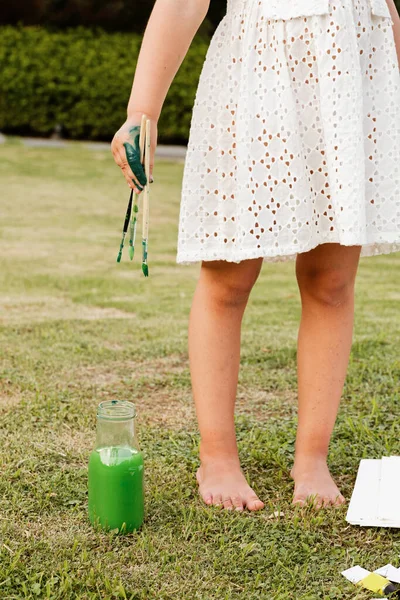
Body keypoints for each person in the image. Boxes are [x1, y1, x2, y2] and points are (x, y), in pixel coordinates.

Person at [111, 0, 400, 511]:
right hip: (260, 71)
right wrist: (142, 111)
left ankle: (312, 457)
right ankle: (217, 454)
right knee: (228, 278)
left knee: (331, 281)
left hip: (355, 74)